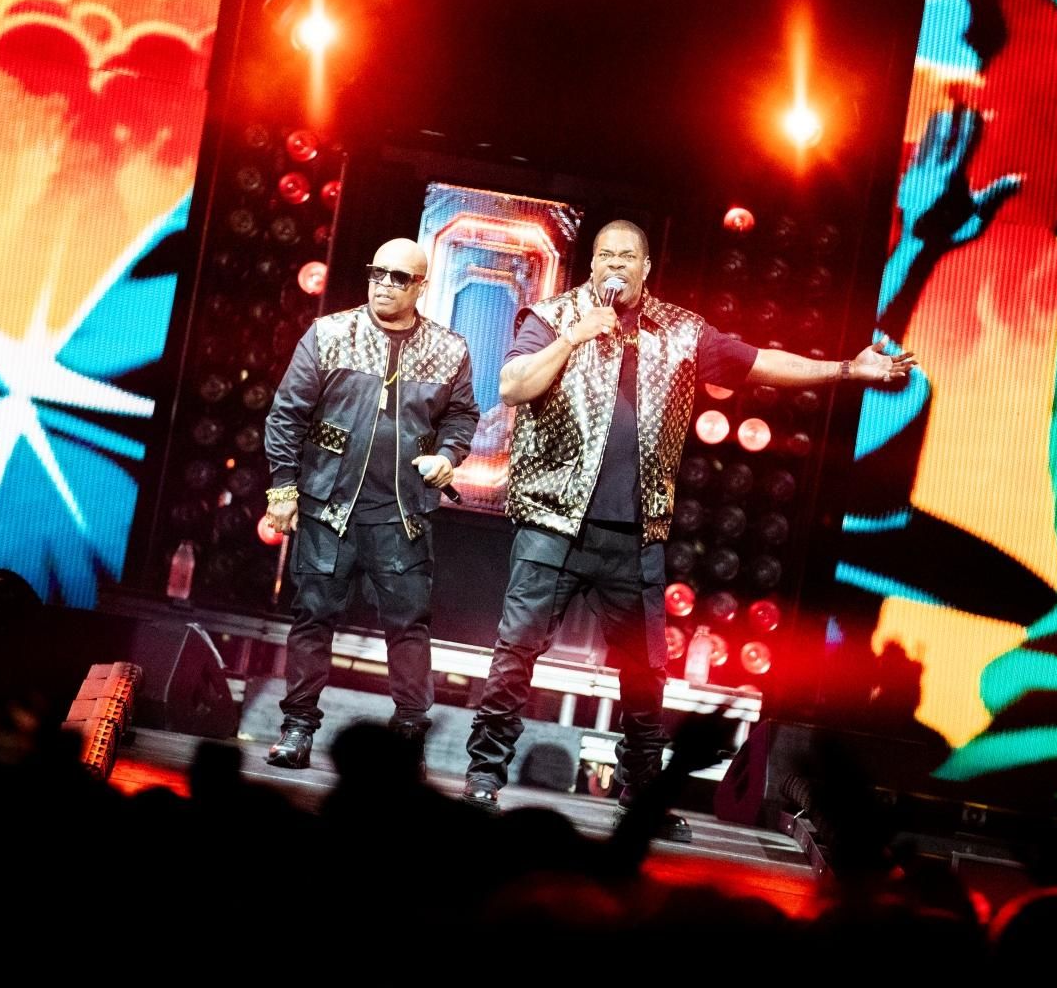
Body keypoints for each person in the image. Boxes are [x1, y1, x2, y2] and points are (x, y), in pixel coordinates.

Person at [462, 220, 912, 838]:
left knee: (646, 676)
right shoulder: (552, 317)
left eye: (627, 256)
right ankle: (484, 777)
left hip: (634, 536)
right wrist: (573, 336)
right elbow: (514, 386)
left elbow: (760, 363)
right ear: (591, 264)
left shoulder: (681, 332)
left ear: (646, 268)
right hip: (553, 525)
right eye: (605, 256)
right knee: (516, 654)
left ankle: (641, 797)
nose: (614, 265)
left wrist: (846, 371)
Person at [262, 238, 479, 769]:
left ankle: (408, 739)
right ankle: (297, 729)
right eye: (377, 272)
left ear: (421, 286)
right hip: (328, 507)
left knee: (409, 626)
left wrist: (448, 454)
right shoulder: (330, 333)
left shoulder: (448, 348)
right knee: (313, 616)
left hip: (402, 514)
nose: (384, 284)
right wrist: (283, 489)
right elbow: (286, 414)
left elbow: (462, 416)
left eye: (398, 277)